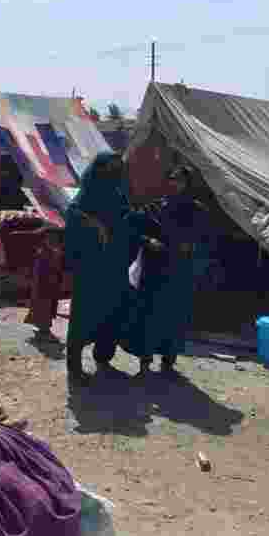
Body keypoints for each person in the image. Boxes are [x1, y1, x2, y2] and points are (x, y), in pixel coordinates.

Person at [121, 165, 211, 377]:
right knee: (148, 315)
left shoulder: (198, 211)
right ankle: (144, 362)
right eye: (172, 178)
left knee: (174, 317)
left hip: (180, 273)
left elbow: (207, 243)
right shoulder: (157, 207)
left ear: (188, 183)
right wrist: (148, 241)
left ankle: (168, 362)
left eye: (179, 180)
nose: (174, 183)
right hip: (155, 270)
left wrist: (192, 248)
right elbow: (132, 228)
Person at [64, 152, 145, 383]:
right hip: (90, 269)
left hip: (114, 266)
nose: (115, 173)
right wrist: (93, 226)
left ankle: (103, 356)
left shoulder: (118, 196)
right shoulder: (85, 198)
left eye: (118, 168)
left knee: (112, 313)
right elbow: (74, 219)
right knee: (83, 316)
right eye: (110, 168)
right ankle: (74, 366)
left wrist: (138, 230)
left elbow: (126, 222)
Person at [23, 226, 66, 341]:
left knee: (45, 307)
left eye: (55, 238)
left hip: (48, 284)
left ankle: (43, 329)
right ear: (45, 239)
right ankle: (44, 332)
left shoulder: (50, 251)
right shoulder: (45, 252)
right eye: (51, 238)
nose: (53, 240)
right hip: (44, 285)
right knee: (44, 308)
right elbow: (49, 269)